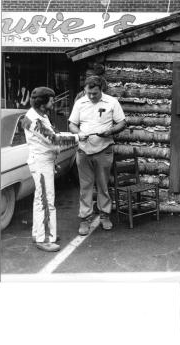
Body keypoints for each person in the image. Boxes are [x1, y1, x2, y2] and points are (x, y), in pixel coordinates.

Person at [69, 75, 126, 235]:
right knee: (85, 187)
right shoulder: (80, 102)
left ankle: (104, 216)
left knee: (103, 185)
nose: (92, 96)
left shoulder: (112, 102)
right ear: (85, 90)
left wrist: (111, 131)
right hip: (84, 150)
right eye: (89, 93)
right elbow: (72, 124)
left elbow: (122, 123)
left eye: (95, 93)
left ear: (102, 89)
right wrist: (79, 132)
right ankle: (85, 219)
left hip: (104, 148)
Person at [21, 87, 61, 252]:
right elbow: (52, 139)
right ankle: (44, 238)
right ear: (43, 103)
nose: (54, 102)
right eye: (51, 100)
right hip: (41, 163)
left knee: (41, 199)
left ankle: (40, 232)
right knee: (46, 201)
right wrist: (79, 138)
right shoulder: (33, 119)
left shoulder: (39, 115)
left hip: (44, 162)